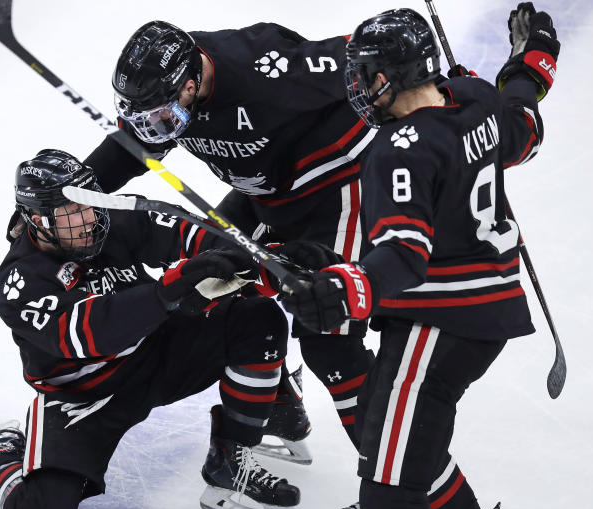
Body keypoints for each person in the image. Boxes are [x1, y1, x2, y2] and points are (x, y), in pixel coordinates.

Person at [0, 149, 320, 509]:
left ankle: (232, 459)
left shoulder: (109, 221)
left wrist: (266, 262)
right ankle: (1, 452)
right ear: (36, 220)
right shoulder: (21, 281)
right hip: (83, 396)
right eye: (70, 216)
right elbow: (90, 332)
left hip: (157, 352)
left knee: (257, 317)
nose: (88, 224)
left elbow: (192, 235)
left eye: (89, 207)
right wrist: (171, 290)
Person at [282, 4, 559, 509]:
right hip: (487, 311)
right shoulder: (473, 98)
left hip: (441, 321)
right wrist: (536, 57)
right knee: (410, 451)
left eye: (368, 73)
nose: (358, 85)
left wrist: (346, 291)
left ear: (399, 73)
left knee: (387, 487)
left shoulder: (397, 151)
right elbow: (525, 125)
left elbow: (405, 256)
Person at [84, 19, 379, 467]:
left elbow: (373, 58)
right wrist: (72, 194)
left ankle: (395, 482)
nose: (157, 127)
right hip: (264, 196)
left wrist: (449, 104)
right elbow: (133, 146)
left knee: (329, 336)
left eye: (162, 113)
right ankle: (280, 410)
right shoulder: (170, 92)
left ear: (191, 81)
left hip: (336, 188)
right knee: (211, 282)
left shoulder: (266, 67)